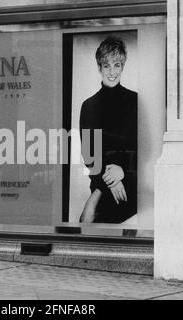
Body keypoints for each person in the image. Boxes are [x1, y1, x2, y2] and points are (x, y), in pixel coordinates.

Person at [79, 36, 137, 224]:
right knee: (88, 224)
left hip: (131, 182)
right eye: (106, 66)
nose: (112, 72)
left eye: (117, 65)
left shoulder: (135, 101)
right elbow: (89, 156)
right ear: (99, 68)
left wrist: (123, 172)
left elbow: (143, 149)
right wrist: (110, 181)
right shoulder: (89, 106)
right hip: (101, 182)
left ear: (123, 66)